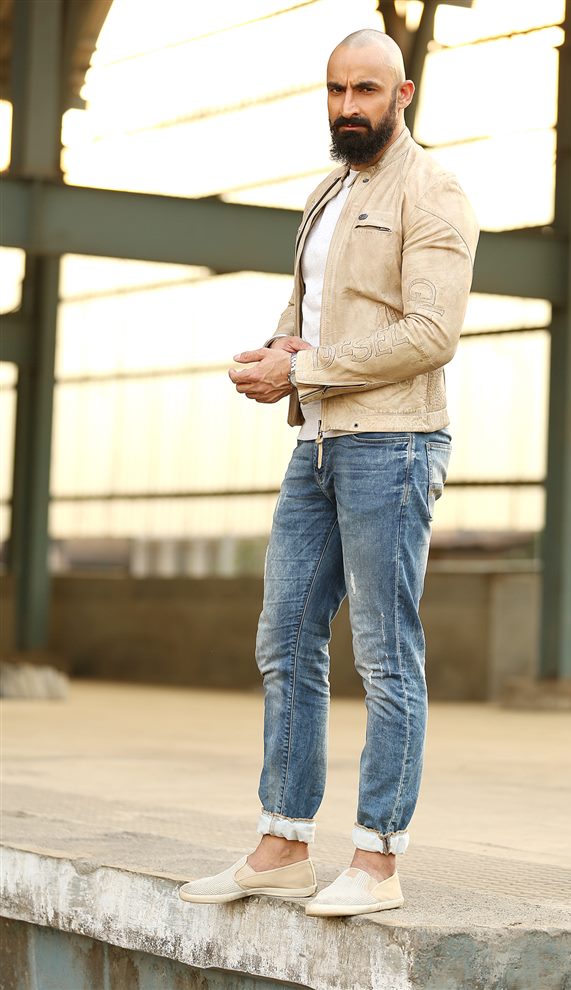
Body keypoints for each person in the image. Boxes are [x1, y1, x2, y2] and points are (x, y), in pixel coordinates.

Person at [179, 28, 478, 918]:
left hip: (393, 446)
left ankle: (378, 859)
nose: (349, 106)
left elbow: (432, 333)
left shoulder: (433, 191)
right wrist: (278, 350)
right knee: (285, 638)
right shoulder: (328, 192)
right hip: (316, 445)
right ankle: (283, 844)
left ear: (403, 95)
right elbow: (306, 307)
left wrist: (304, 370)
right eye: (338, 90)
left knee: (385, 654)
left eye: (367, 90)